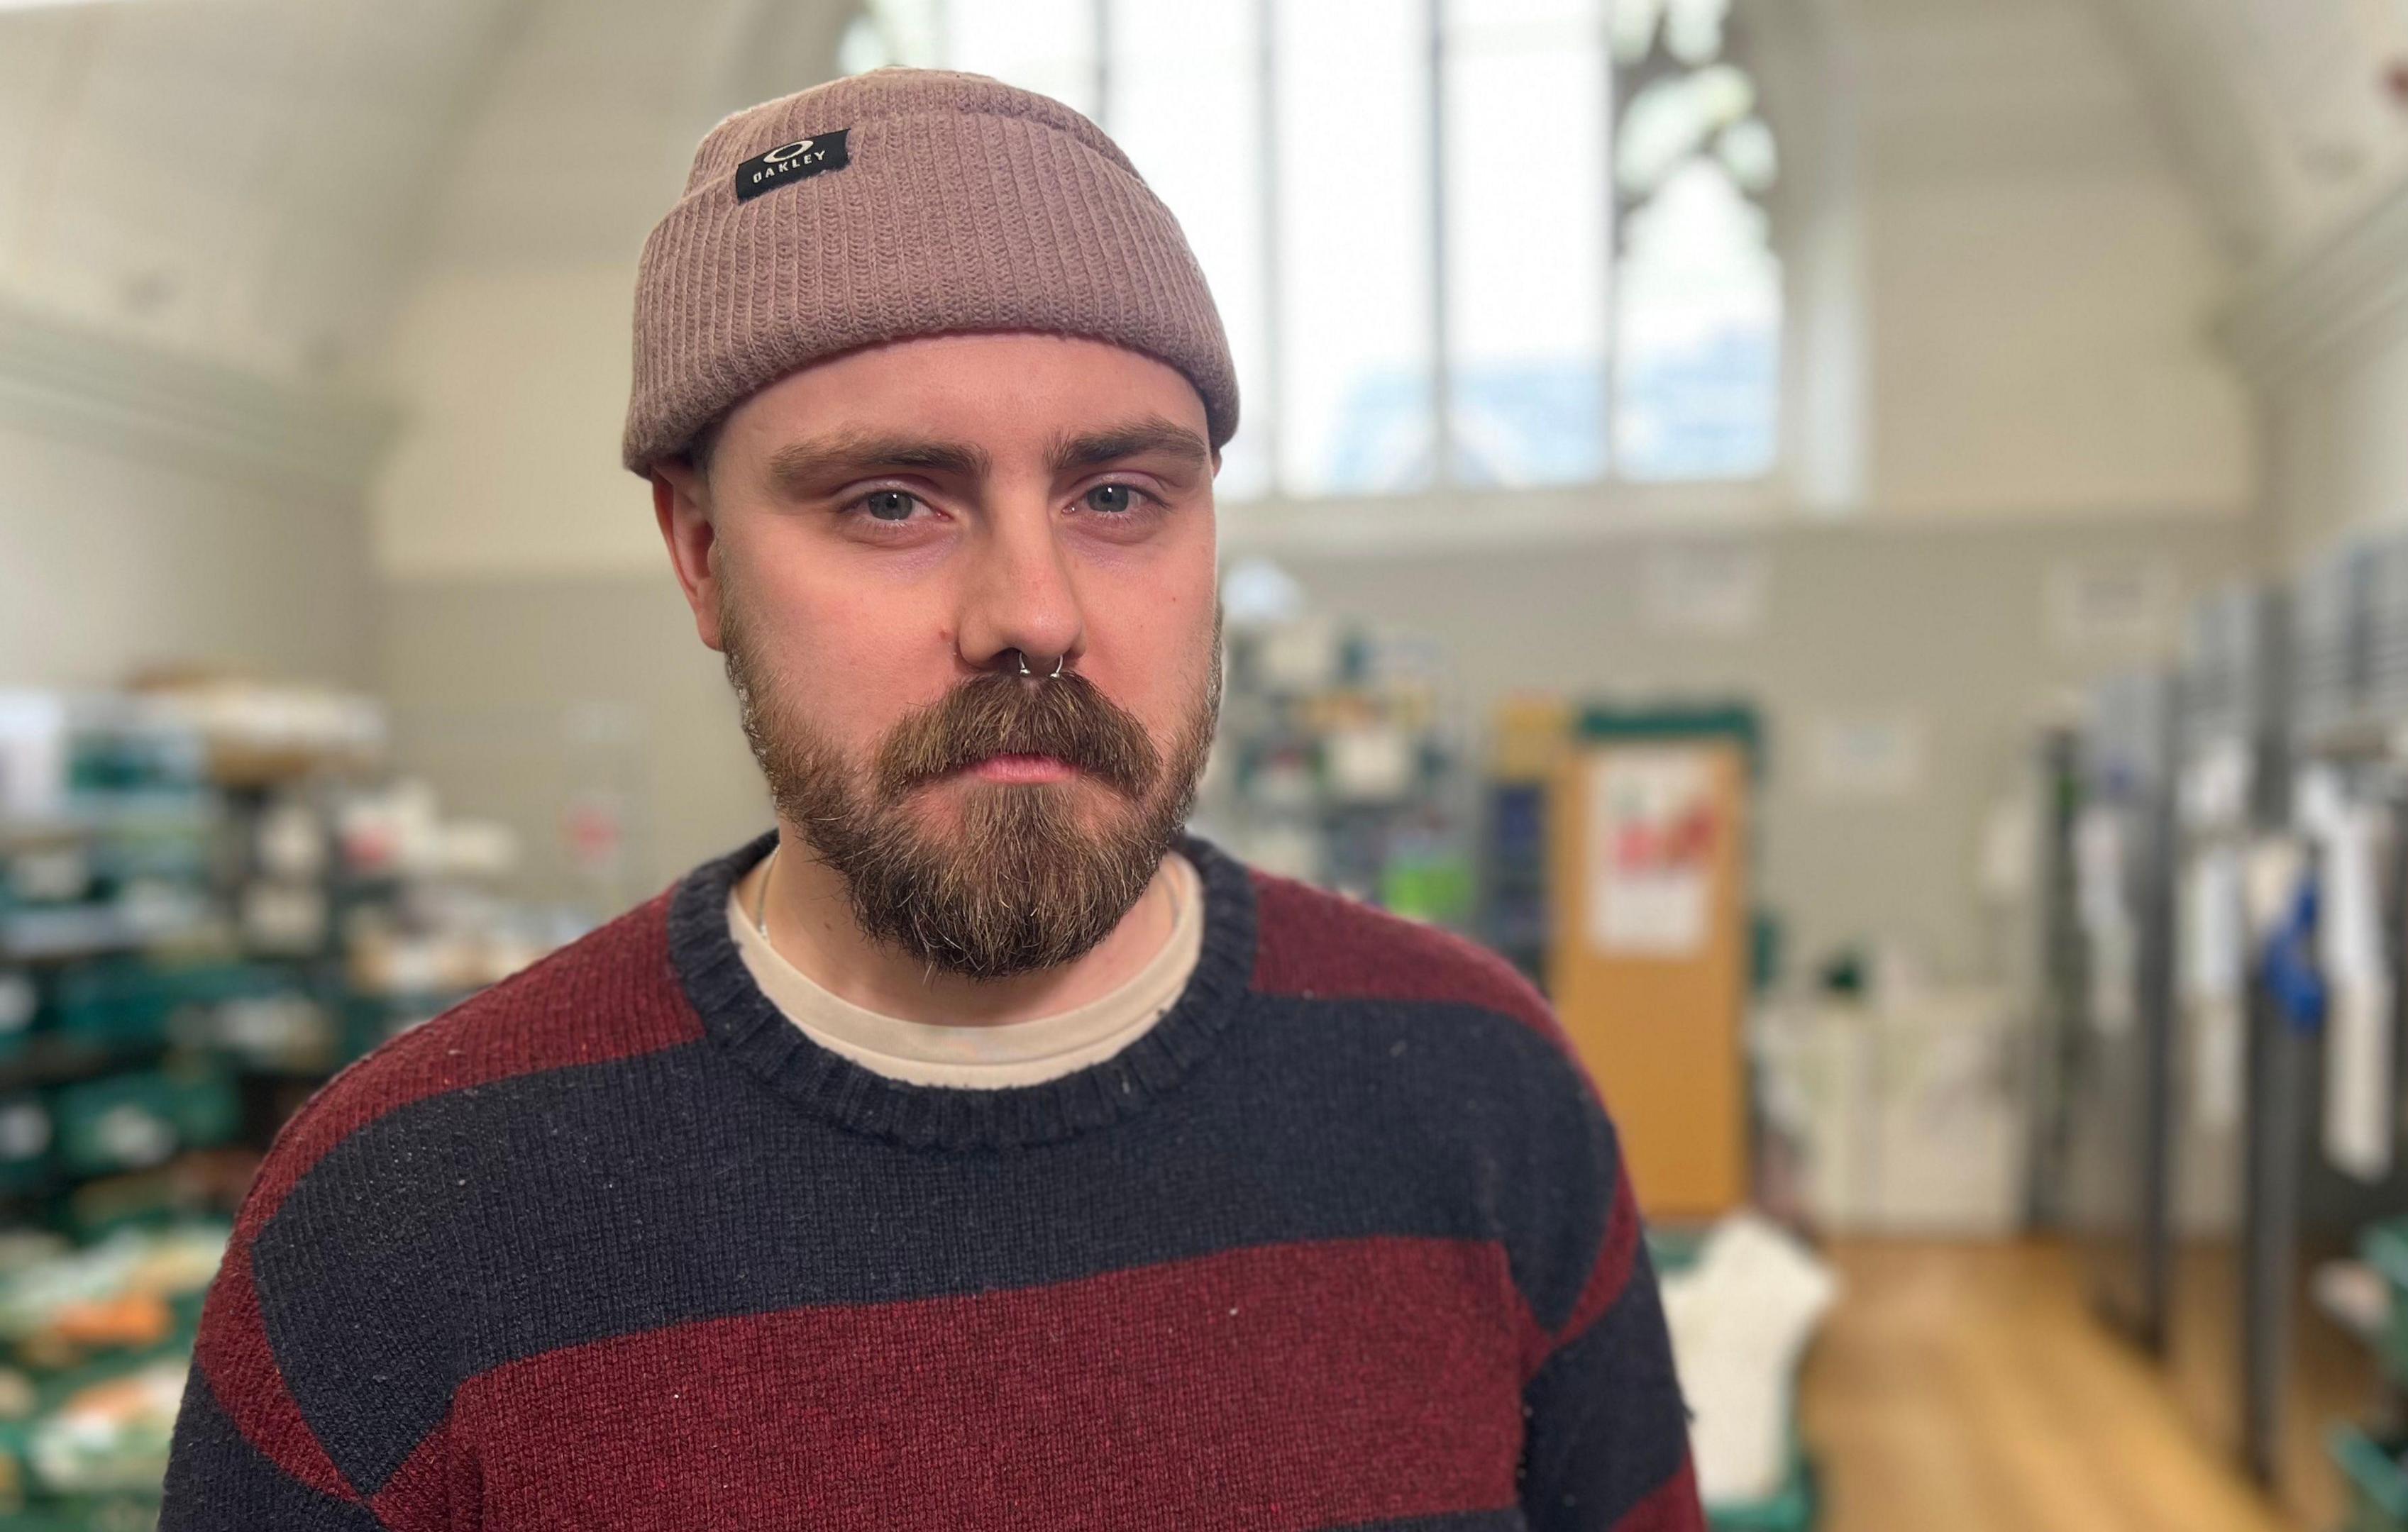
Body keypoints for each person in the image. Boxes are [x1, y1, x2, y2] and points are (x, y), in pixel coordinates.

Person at [159, 68, 1699, 1531]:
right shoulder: (394, 1229)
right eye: (891, 500)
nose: (1032, 611)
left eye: (1119, 497)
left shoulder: (1480, 1093)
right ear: (699, 553)